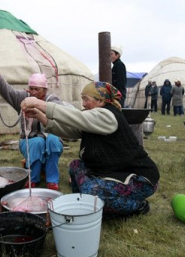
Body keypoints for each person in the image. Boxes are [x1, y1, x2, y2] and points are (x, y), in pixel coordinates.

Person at [20, 82, 160, 219]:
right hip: (115, 171)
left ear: (100, 101)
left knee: (93, 195)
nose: (83, 104)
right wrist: (39, 115)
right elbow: (69, 129)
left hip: (140, 178)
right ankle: (85, 203)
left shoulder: (108, 116)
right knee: (76, 166)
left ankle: (138, 205)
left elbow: (76, 117)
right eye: (82, 99)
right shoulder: (94, 119)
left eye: (86, 99)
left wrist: (38, 103)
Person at [0, 65, 64, 191]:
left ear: (44, 89)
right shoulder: (23, 98)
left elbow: (60, 114)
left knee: (53, 139)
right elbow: (7, 91)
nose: (33, 92)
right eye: (31, 88)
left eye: (37, 89)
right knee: (37, 142)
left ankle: (52, 180)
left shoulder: (52, 100)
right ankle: (33, 178)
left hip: (50, 139)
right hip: (30, 140)